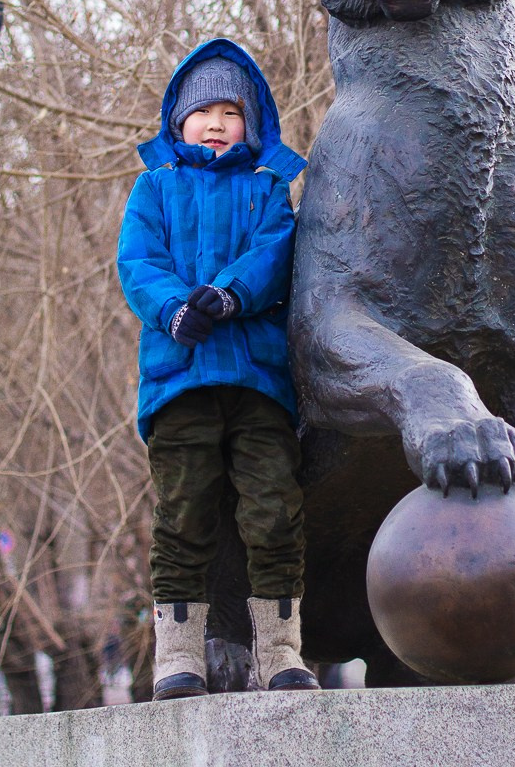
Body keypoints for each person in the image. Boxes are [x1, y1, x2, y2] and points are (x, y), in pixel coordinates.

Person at [117, 38, 320, 700]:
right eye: (201, 112)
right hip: (178, 382)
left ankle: (282, 654)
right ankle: (177, 658)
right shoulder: (153, 187)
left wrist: (230, 291)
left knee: (274, 515)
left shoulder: (268, 192)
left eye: (230, 112)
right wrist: (175, 308)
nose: (214, 122)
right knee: (182, 517)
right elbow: (137, 264)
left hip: (258, 382)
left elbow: (277, 253)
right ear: (177, 121)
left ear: (250, 122)